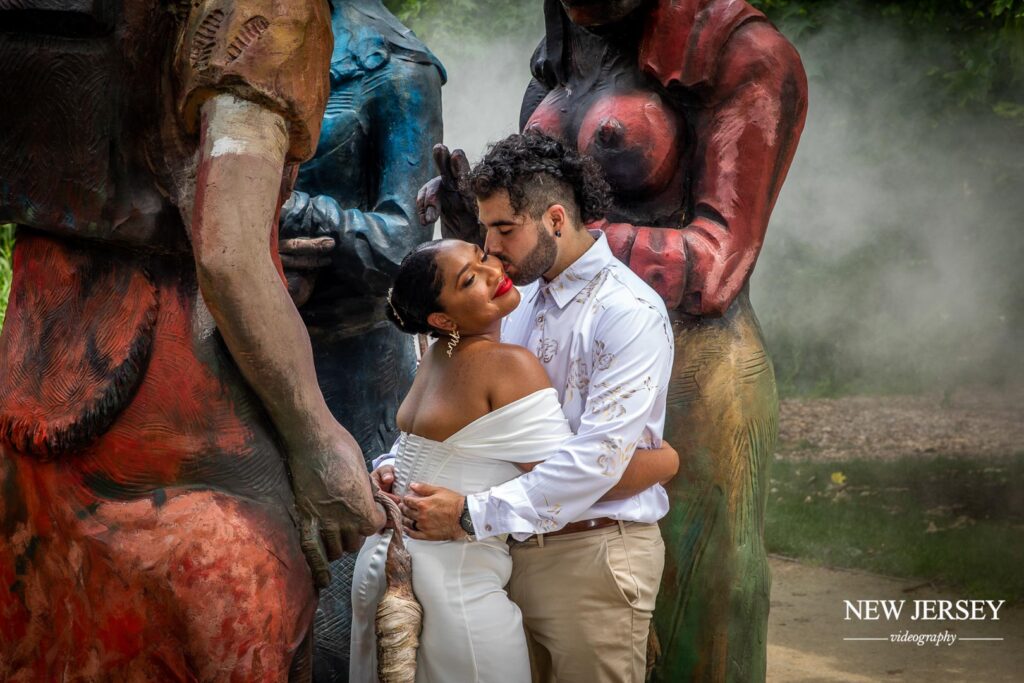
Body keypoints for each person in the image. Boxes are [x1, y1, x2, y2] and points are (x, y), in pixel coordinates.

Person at [420, 2, 809, 679]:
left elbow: (717, 262)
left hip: (696, 363)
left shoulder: (743, 53)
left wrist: (559, 249)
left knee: (698, 614)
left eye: (502, 233)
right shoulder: (562, 66)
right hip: (554, 339)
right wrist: (481, 239)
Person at [0, 2, 382, 679]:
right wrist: (317, 436)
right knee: (241, 603)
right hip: (177, 411)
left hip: (33, 371)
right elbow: (229, 253)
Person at [388, 133, 675, 683]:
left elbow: (596, 461)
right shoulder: (511, 301)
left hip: (591, 556)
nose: (491, 249)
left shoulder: (628, 310)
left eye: (503, 229)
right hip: (502, 556)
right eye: (484, 230)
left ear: (556, 219)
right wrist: (400, 466)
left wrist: (472, 512)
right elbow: (465, 414)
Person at [274, 2, 446, 678]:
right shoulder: (242, 36)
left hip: (353, 371)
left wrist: (286, 209)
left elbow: (405, 247)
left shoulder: (395, 67)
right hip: (238, 356)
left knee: (345, 607)